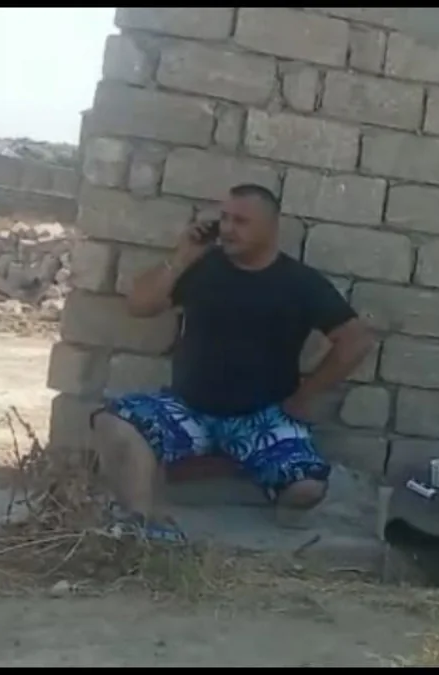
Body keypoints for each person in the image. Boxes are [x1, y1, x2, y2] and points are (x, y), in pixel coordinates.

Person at [90, 183, 375, 542]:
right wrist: (181, 257)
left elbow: (356, 340)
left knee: (307, 489)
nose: (227, 229)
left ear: (271, 228)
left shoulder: (300, 283)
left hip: (263, 419)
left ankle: (249, 474)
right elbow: (139, 305)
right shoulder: (202, 267)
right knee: (112, 423)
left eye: (241, 221)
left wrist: (305, 397)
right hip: (188, 409)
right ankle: (140, 526)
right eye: (224, 218)